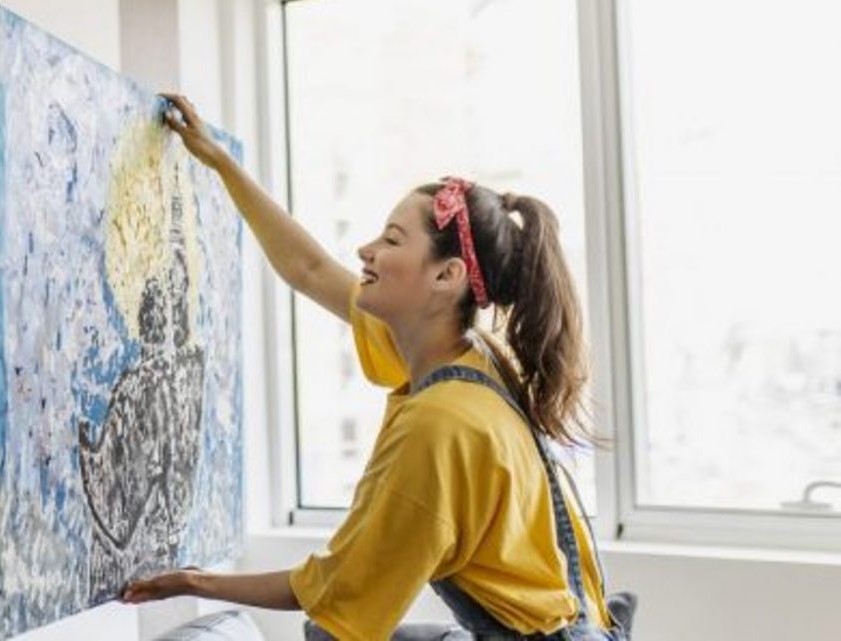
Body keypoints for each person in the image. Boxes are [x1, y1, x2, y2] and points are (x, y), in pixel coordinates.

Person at [120, 93, 635, 641]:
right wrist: (221, 163)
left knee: (326, 632)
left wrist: (198, 585)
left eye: (391, 239)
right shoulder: (468, 354)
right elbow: (310, 269)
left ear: (447, 276)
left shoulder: (442, 423)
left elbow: (336, 587)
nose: (365, 250)